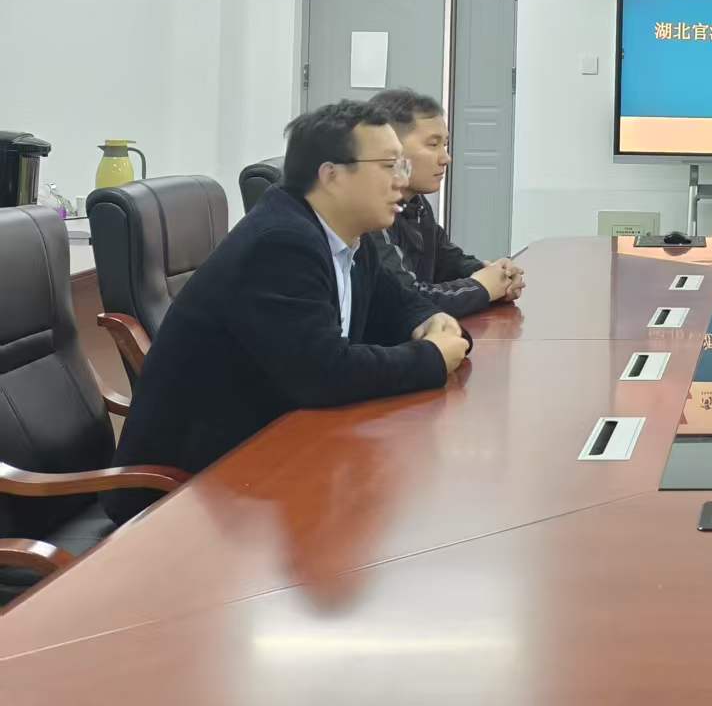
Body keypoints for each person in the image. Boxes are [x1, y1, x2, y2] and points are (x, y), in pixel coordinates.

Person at [102, 101, 470, 525]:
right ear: (331, 175)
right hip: (191, 492)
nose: (402, 181)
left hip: (268, 454)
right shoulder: (280, 244)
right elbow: (325, 374)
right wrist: (431, 356)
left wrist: (429, 321)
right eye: (390, 166)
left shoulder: (351, 235)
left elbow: (400, 306)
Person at [368, 87, 524, 318]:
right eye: (433, 145)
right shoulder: (368, 213)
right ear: (390, 149)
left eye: (445, 145)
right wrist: (482, 288)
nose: (446, 158)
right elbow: (409, 299)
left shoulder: (417, 204)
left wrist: (497, 275)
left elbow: (448, 262)